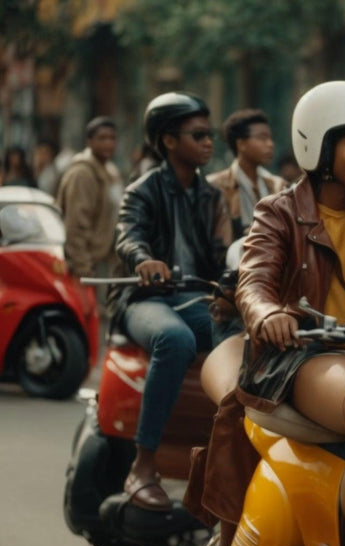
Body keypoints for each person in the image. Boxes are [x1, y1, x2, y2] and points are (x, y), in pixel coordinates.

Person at [189, 81, 345, 546]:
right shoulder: (278, 211)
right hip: (299, 355)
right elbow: (253, 278)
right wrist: (267, 313)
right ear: (319, 147)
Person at [112, 93, 231, 513]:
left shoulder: (211, 197)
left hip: (195, 296)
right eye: (197, 135)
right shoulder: (142, 191)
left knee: (236, 341)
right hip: (145, 298)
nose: (208, 143)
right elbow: (129, 234)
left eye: (209, 135)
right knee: (174, 339)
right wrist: (143, 260)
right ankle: (143, 466)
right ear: (167, 141)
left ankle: (223, 463)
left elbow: (224, 253)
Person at [57, 117, 124, 320]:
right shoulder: (82, 174)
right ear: (89, 142)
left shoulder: (110, 171)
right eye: (102, 138)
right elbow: (76, 225)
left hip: (104, 261)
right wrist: (83, 270)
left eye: (112, 138)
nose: (108, 143)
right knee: (89, 320)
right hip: (87, 264)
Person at [207, 108, 287, 239]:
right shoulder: (215, 186)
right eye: (262, 138)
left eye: (270, 138)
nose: (270, 144)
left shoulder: (278, 186)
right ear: (241, 144)